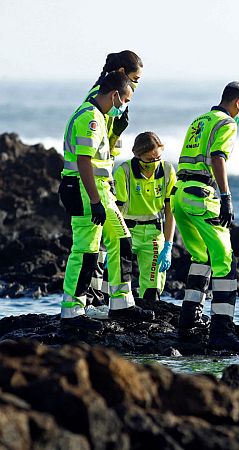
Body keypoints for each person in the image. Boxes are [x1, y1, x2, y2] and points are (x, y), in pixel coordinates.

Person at [58, 71, 153, 330]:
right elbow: (84, 161)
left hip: (101, 190)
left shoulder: (101, 117)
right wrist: (94, 200)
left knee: (122, 239)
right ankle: (72, 312)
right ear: (114, 96)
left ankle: (121, 304)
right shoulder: (89, 117)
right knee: (86, 250)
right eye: (126, 100)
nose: (125, 106)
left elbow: (102, 157)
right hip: (84, 189)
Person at [172, 81, 239, 352]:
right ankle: (222, 330)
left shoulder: (199, 120)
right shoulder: (226, 123)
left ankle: (189, 321)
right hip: (201, 197)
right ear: (238, 103)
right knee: (225, 262)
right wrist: (226, 196)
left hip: (180, 195)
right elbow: (218, 157)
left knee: (202, 257)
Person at [85, 51, 144, 306]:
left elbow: (107, 147)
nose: (137, 85)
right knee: (101, 243)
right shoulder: (100, 101)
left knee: (104, 242)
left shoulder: (113, 101)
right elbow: (93, 150)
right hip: (96, 183)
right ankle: (95, 298)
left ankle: (99, 297)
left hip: (103, 179)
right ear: (121, 73)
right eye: (135, 79)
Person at [112, 132, 176, 301]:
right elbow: (116, 209)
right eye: (149, 159)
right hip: (126, 231)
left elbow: (170, 210)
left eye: (158, 158)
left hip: (154, 234)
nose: (154, 163)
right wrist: (110, 241)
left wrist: (168, 245)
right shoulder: (124, 171)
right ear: (137, 155)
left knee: (152, 290)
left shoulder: (167, 170)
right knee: (117, 280)